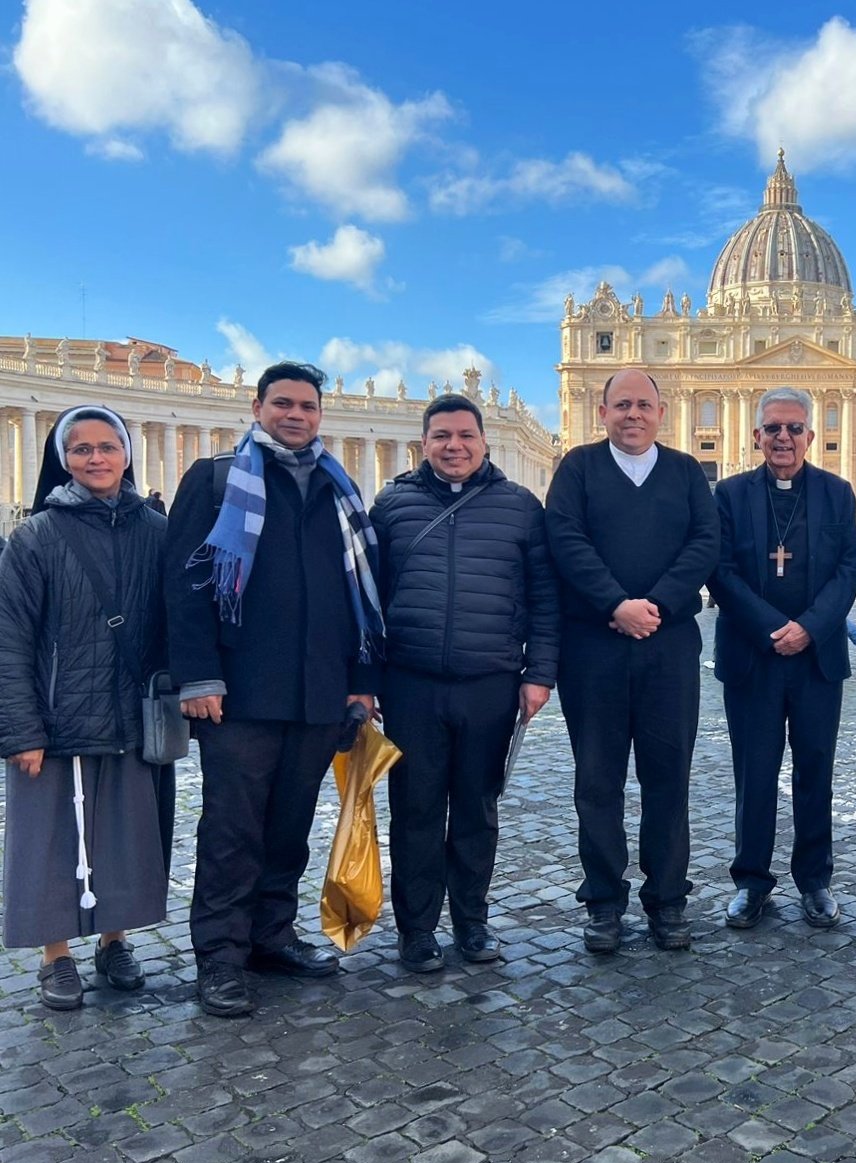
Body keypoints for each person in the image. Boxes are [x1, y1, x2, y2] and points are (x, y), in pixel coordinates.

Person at [165, 361, 383, 1016]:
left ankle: (270, 935)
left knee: (289, 827)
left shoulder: (338, 489)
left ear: (321, 415)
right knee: (232, 830)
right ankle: (221, 959)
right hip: (238, 694)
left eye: (308, 406)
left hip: (318, 694)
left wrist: (362, 684)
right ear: (257, 407)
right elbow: (184, 586)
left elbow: (363, 596)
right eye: (283, 403)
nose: (296, 414)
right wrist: (199, 675)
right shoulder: (212, 480)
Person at [372, 394, 559, 972]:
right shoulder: (390, 505)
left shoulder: (522, 507)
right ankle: (417, 930)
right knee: (415, 810)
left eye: (465, 436)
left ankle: (472, 922)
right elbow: (366, 601)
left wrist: (541, 673)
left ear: (483, 441)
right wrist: (366, 679)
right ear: (423, 443)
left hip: (490, 681)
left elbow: (545, 598)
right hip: (411, 682)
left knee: (478, 810)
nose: (454, 446)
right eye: (442, 437)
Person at [0, 406, 169, 1009]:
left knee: (122, 834)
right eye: (81, 449)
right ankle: (56, 954)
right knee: (49, 839)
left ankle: (114, 940)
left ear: (128, 453)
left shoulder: (158, 531)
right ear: (62, 459)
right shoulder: (36, 536)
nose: (95, 458)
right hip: (54, 716)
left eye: (107, 446)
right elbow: (10, 636)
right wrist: (20, 728)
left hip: (128, 714)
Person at [546, 368, 718, 953]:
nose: (633, 415)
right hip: (593, 648)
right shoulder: (577, 470)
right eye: (622, 405)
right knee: (597, 780)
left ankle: (667, 899)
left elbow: (705, 544)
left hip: (668, 648)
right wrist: (616, 604)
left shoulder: (686, 472)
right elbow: (565, 541)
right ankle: (603, 901)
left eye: (644, 405)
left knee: (668, 779)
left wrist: (659, 605)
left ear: (662, 413)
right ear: (602, 412)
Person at [708, 387, 856, 930]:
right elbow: (720, 570)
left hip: (816, 657)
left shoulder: (838, 493)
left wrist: (811, 627)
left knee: (815, 769)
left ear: (811, 437)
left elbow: (851, 566)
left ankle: (815, 880)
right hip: (754, 655)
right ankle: (751, 880)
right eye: (773, 428)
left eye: (794, 429)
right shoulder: (728, 496)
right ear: (756, 436)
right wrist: (773, 627)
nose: (783, 438)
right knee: (754, 772)